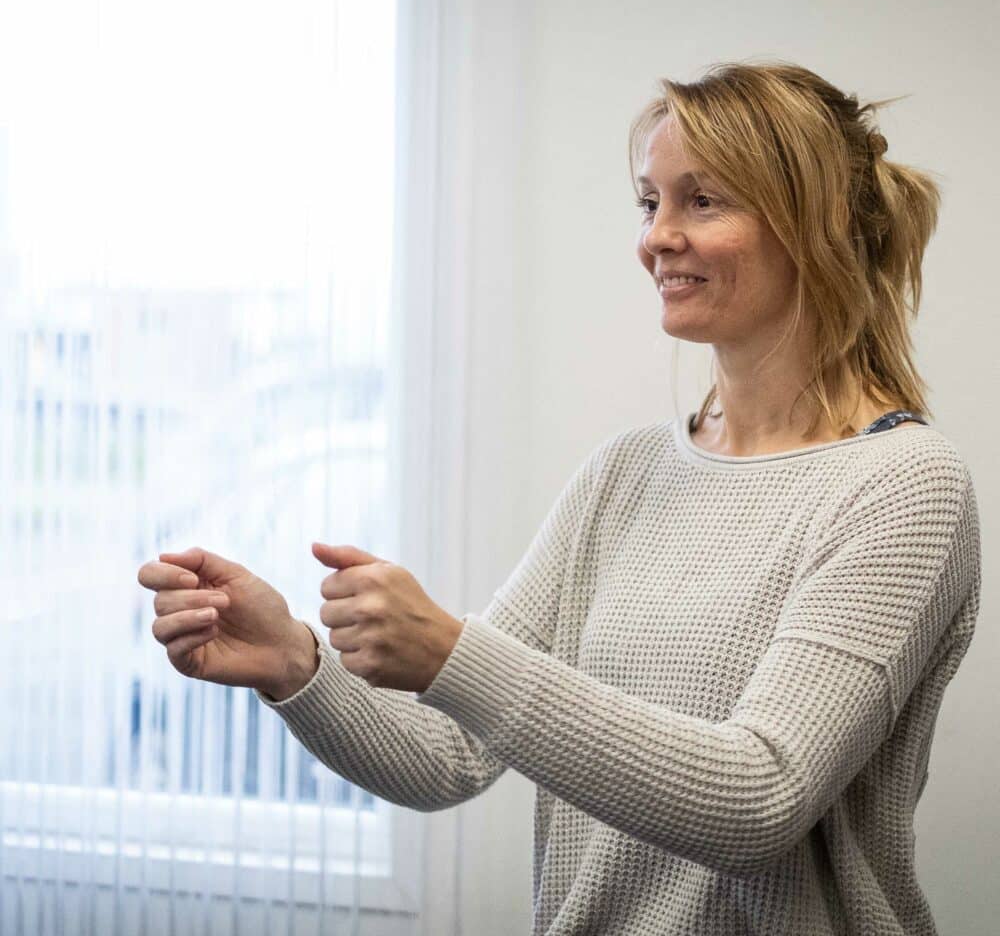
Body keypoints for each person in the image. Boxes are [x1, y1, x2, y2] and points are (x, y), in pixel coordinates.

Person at [137, 61, 981, 936]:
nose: (658, 238)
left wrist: (451, 652)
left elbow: (758, 799)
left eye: (702, 201)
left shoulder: (904, 486)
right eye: (649, 203)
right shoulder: (625, 475)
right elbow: (447, 755)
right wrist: (294, 663)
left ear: (816, 224)